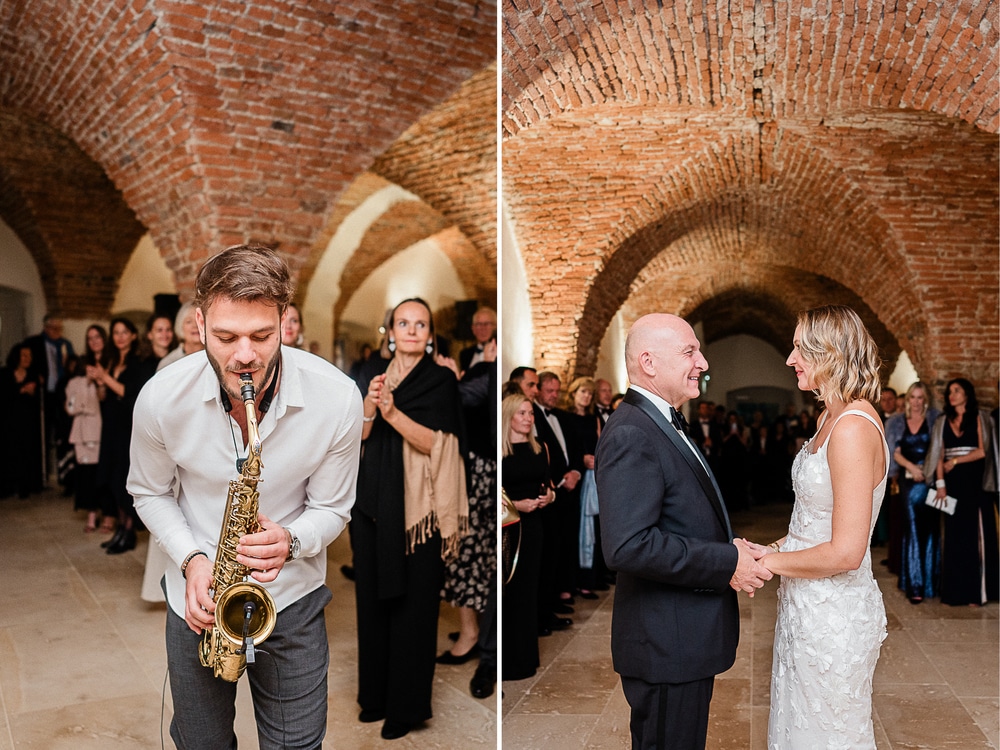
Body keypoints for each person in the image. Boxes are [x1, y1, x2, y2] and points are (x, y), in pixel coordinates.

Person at [128, 244, 363, 749]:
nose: (245, 356)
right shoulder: (161, 398)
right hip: (199, 601)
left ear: (285, 320)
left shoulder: (337, 397)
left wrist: (292, 540)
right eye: (226, 336)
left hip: (294, 599)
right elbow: (148, 492)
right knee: (201, 743)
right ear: (198, 322)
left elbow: (332, 508)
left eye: (262, 335)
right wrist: (192, 560)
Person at [595, 313, 771, 750]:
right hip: (665, 642)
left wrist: (725, 544)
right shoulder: (632, 433)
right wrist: (725, 562)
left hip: (678, 637)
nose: (703, 362)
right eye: (690, 352)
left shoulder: (660, 420)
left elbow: (675, 515)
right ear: (649, 363)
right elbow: (628, 545)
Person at [745, 305, 888, 749]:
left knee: (827, 733)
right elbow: (814, 520)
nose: (790, 359)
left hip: (834, 615)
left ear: (832, 354)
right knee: (798, 724)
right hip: (806, 603)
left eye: (800, 348)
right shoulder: (828, 417)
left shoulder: (852, 428)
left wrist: (768, 562)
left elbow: (846, 551)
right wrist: (768, 547)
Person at [353, 297, 468, 740]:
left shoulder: (441, 380)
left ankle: (406, 707)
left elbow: (441, 444)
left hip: (420, 511)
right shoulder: (371, 375)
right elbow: (358, 435)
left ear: (430, 333)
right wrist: (370, 404)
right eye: (404, 322)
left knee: (415, 609)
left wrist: (393, 414)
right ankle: (375, 697)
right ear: (391, 330)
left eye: (421, 324)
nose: (412, 330)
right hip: (372, 505)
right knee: (372, 602)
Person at [141, 301, 208, 603]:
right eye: (188, 325)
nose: (194, 330)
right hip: (178, 444)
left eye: (198, 324)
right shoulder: (169, 362)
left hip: (208, 444)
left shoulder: (213, 358)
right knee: (171, 515)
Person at [926, 378, 998, 606]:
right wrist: (940, 483)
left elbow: (982, 451)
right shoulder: (943, 421)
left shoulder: (980, 417)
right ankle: (956, 592)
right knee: (955, 537)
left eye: (957, 391)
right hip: (952, 484)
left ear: (967, 393)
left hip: (975, 482)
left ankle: (977, 593)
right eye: (949, 392)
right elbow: (938, 453)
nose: (952, 395)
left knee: (977, 536)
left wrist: (955, 461)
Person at [501, 392, 554, 681]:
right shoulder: (501, 450)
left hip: (534, 526)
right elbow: (494, 493)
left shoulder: (539, 447)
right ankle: (509, 661)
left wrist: (550, 496)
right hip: (509, 529)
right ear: (508, 416)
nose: (528, 418)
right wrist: (515, 505)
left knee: (529, 590)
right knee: (510, 592)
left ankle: (526, 658)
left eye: (530, 413)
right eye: (522, 413)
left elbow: (548, 483)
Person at [92, 317, 154, 554]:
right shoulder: (111, 361)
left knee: (124, 479)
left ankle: (128, 530)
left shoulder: (139, 362)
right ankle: (120, 528)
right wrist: (100, 380)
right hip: (111, 426)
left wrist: (105, 377)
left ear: (133, 335)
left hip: (129, 428)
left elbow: (130, 392)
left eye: (124, 332)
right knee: (110, 477)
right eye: (115, 333)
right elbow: (103, 396)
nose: (119, 337)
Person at [891, 382, 941, 603]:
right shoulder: (898, 423)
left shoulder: (934, 421)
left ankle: (931, 583)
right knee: (911, 530)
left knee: (930, 531)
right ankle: (915, 584)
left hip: (929, 481)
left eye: (921, 397)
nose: (917, 401)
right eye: (913, 397)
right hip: (910, 483)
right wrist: (912, 467)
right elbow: (896, 453)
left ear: (925, 400)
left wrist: (932, 476)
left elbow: (939, 451)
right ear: (909, 399)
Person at [66, 325, 109, 532]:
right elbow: (71, 404)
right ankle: (92, 513)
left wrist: (101, 381)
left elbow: (105, 397)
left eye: (97, 337)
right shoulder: (83, 367)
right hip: (84, 428)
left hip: (105, 424)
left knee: (104, 472)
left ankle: (109, 514)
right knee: (87, 474)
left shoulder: (112, 360)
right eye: (90, 338)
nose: (94, 341)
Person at [0, 344, 44, 498]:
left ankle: (26, 486)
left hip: (27, 422)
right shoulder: (5, 373)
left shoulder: (33, 375)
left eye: (29, 356)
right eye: (24, 355)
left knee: (26, 452)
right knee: (8, 453)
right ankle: (8, 487)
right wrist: (22, 390)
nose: (27, 359)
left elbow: (38, 401)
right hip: (8, 421)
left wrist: (34, 390)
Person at [156, 301, 205, 370]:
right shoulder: (168, 363)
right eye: (189, 321)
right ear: (180, 326)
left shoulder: (216, 357)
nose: (195, 326)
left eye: (199, 321)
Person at [458, 306, 496, 373]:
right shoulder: (465, 354)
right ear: (473, 329)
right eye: (478, 324)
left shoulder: (499, 352)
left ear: (495, 326)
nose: (482, 328)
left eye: (487, 324)